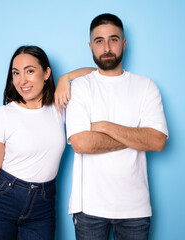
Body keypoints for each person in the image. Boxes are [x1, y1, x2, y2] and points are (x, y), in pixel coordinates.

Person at [0, 45, 93, 240]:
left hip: (42, 207)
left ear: (46, 73)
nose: (22, 80)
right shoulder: (4, 114)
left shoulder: (60, 105)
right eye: (16, 73)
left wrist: (66, 78)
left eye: (30, 71)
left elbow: (97, 74)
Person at [65, 14, 169, 240]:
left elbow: (158, 141)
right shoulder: (81, 86)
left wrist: (103, 126)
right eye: (99, 41)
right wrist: (136, 135)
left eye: (113, 39)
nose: (107, 47)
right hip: (89, 208)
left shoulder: (146, 86)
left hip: (135, 208)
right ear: (91, 46)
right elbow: (81, 143)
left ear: (123, 43)